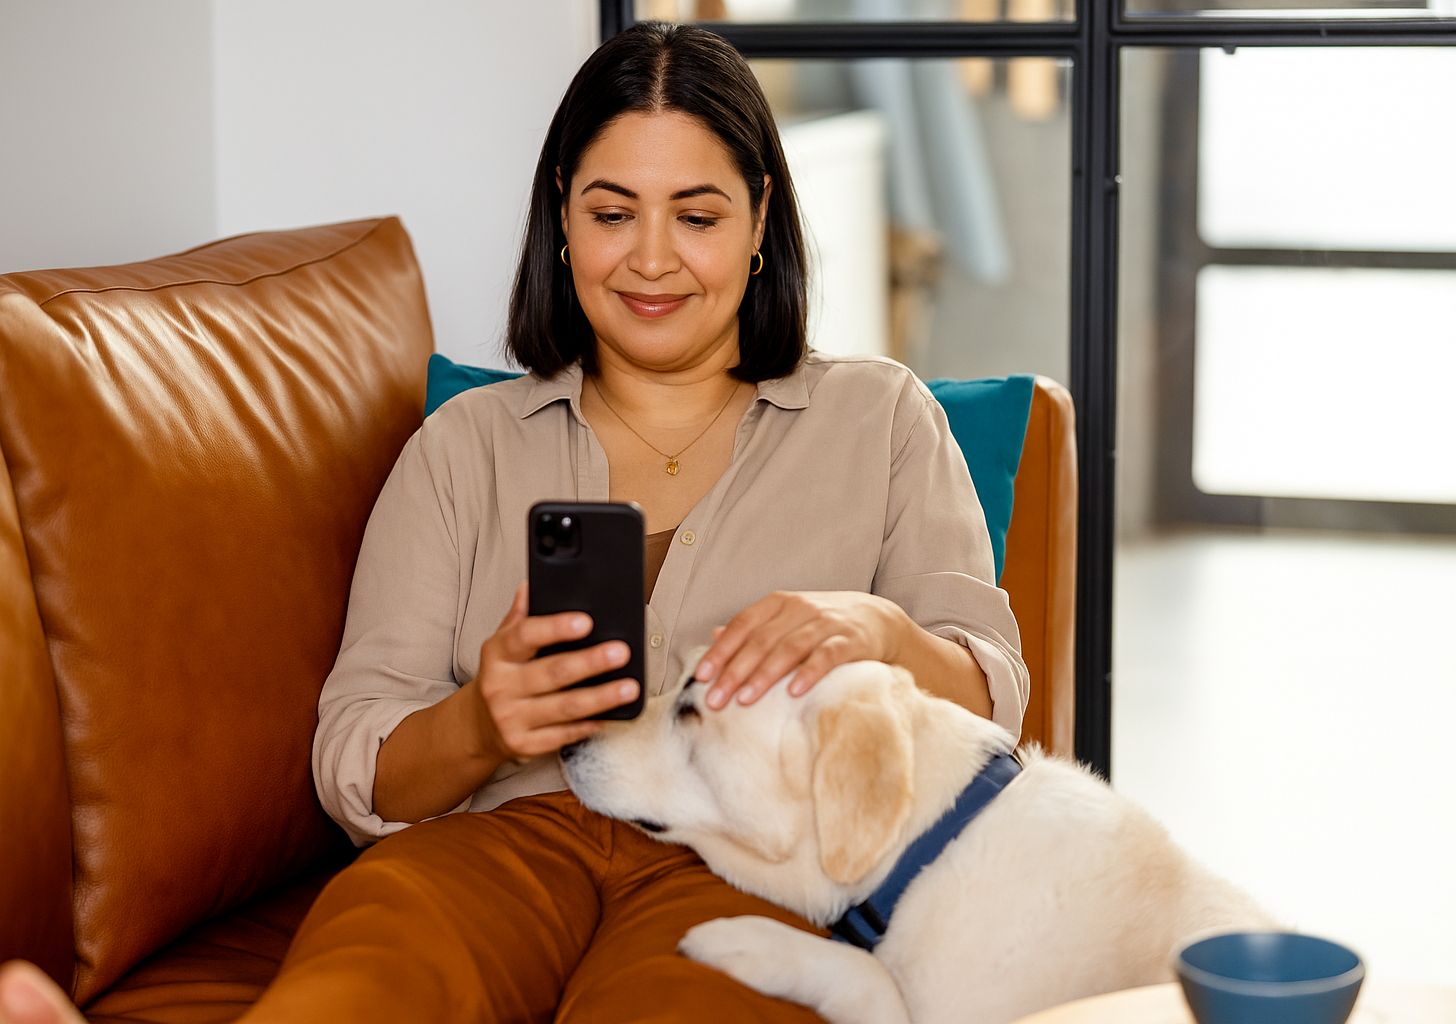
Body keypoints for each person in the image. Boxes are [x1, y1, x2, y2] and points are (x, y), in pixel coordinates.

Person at [0, 21, 1026, 1024]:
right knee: (369, 980)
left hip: (755, 865)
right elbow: (354, 755)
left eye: (698, 215)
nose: (652, 260)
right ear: (563, 218)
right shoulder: (466, 447)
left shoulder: (882, 420)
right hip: (498, 845)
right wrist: (480, 722)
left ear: (762, 221)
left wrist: (880, 633)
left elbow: (992, 697)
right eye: (613, 211)